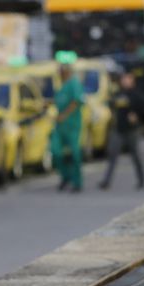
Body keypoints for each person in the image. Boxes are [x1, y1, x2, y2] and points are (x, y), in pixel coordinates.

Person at [99, 72, 144, 190]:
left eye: (128, 79)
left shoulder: (136, 94)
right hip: (118, 129)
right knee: (112, 155)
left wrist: (136, 115)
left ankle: (141, 179)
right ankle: (106, 181)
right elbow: (110, 103)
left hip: (131, 130)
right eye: (124, 79)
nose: (125, 81)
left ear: (132, 80)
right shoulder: (118, 93)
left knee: (135, 155)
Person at [50, 62, 84, 193]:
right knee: (56, 151)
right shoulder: (62, 85)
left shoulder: (74, 83)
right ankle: (66, 177)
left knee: (74, 154)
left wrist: (64, 115)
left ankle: (77, 182)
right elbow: (59, 101)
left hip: (72, 125)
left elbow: (76, 101)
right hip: (60, 126)